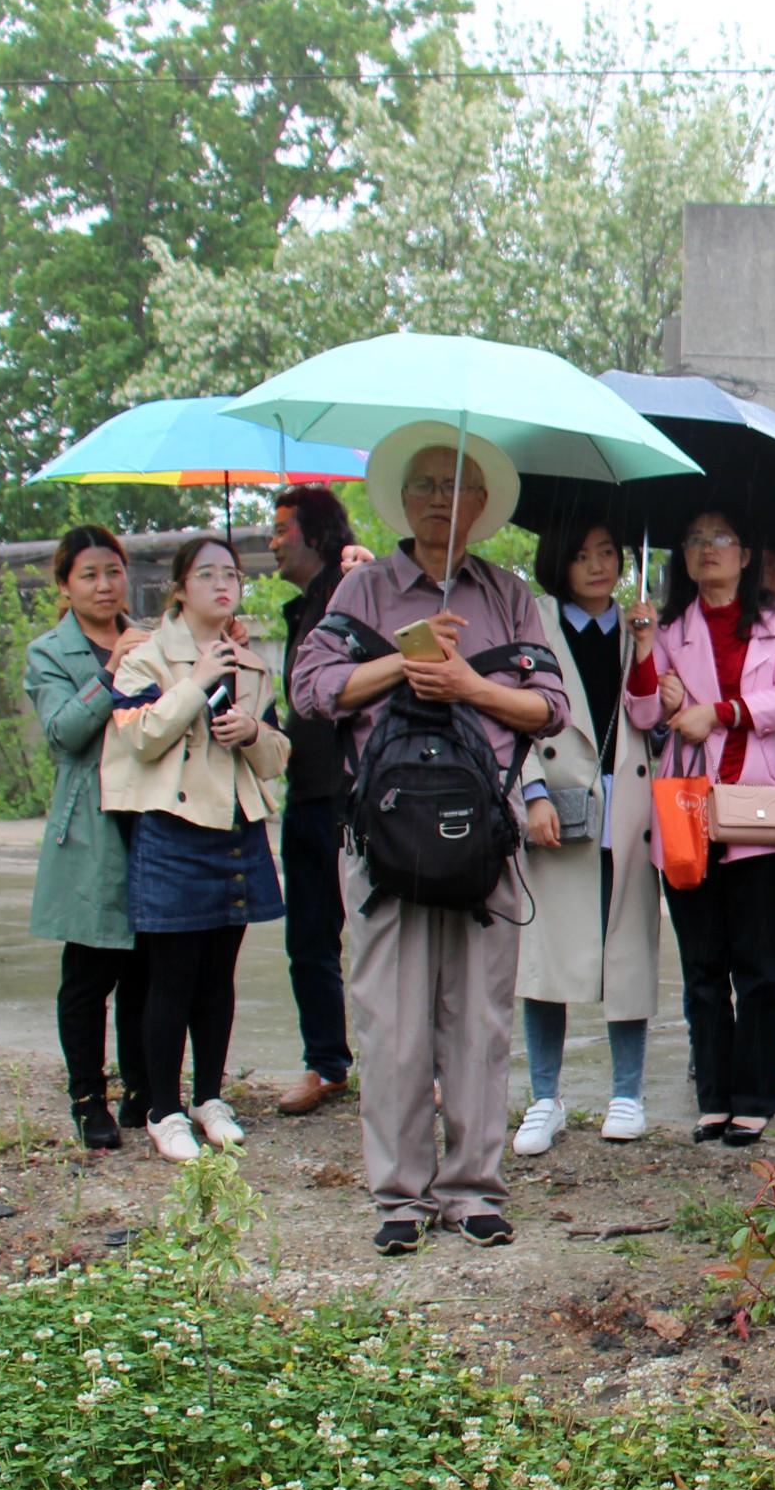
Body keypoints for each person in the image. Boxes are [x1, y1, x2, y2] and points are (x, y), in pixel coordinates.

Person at [289, 426, 567, 1254]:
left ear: (484, 506)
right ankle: (400, 1197)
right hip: (384, 839)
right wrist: (406, 666)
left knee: (478, 1019)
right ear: (402, 501)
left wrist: (470, 684)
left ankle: (475, 1188)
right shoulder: (365, 589)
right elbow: (311, 689)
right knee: (393, 1022)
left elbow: (549, 706)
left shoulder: (509, 593)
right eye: (428, 486)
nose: (444, 500)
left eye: (461, 487)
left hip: (483, 836)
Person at [626, 508, 775, 1149]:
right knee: (702, 966)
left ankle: (755, 1097)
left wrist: (720, 712)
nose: (709, 549)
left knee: (758, 967)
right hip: (688, 812)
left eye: (722, 539)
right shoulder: (669, 628)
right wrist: (647, 651)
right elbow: (645, 710)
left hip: (757, 810)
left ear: (746, 554)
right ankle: (713, 1098)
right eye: (696, 538)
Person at [99, 535, 290, 1163]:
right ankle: (162, 1108)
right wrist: (198, 680)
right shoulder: (144, 657)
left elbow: (279, 758)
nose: (221, 584)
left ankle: (209, 1096)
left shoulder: (254, 662)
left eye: (230, 574)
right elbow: (144, 737)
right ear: (179, 588)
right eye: (206, 574)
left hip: (235, 826)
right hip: (173, 828)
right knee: (171, 977)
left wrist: (253, 730)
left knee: (218, 975)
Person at [513, 512, 664, 1151]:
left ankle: (626, 1093)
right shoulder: (534, 624)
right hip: (557, 807)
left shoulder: (640, 628)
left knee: (627, 951)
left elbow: (654, 720)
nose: (599, 566)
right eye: (582, 555)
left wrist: (651, 651)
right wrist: (533, 793)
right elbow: (508, 715)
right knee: (547, 954)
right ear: (559, 564)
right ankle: (544, 1097)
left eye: (608, 552)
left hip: (627, 809)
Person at [22, 525, 151, 1149]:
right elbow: (64, 734)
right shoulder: (50, 651)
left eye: (113, 571)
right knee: (91, 968)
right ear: (65, 585)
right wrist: (116, 670)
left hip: (153, 810)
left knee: (147, 967)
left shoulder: (153, 639)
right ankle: (85, 1096)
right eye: (89, 575)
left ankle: (142, 1090)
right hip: (92, 819)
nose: (104, 585)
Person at [270, 485, 359, 1117]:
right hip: (304, 793)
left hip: (357, 793)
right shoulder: (297, 609)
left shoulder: (355, 584)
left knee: (387, 936)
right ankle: (326, 1063)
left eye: (281, 529)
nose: (272, 542)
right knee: (309, 938)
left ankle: (417, 1069)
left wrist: (361, 566)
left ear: (318, 535)